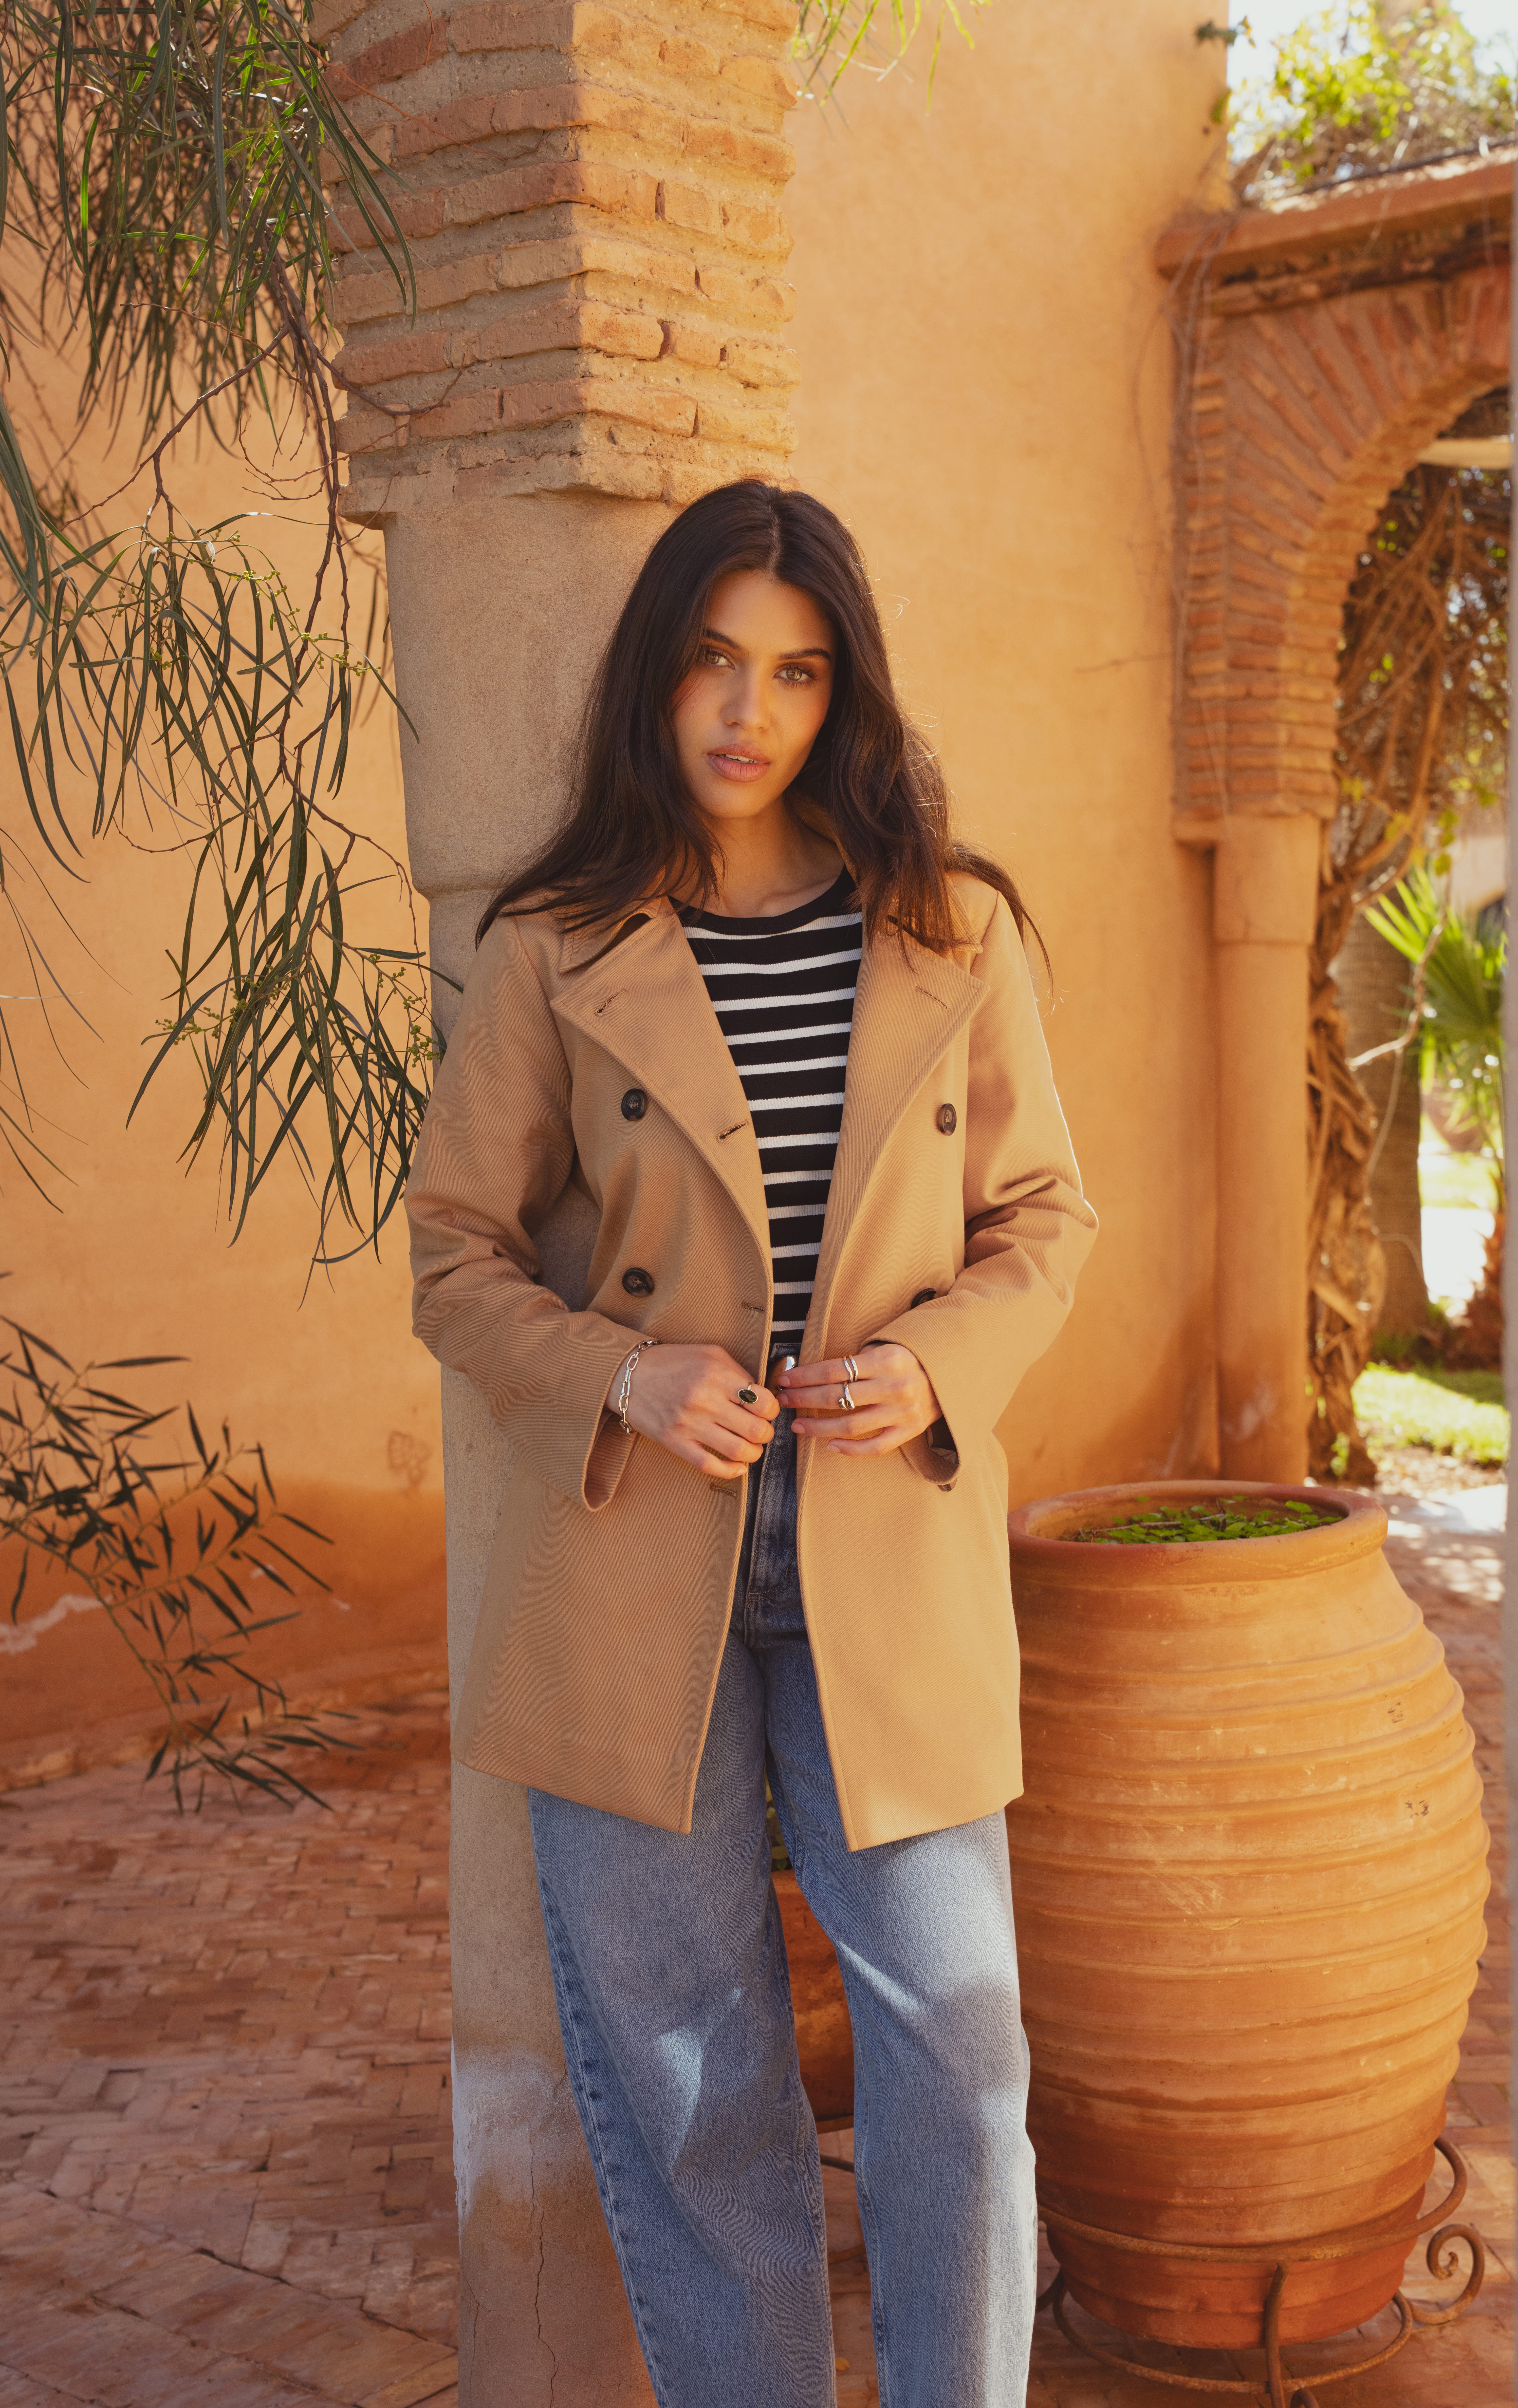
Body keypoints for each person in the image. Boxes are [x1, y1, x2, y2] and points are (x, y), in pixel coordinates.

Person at [405, 480, 1098, 2407]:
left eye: (794, 672)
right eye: (715, 659)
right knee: (694, 2074)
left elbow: (1049, 1219)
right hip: (636, 1557)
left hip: (888, 1541)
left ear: (841, 693)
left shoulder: (951, 927)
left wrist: (940, 1364)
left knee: (957, 2051)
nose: (748, 711)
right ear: (659, 674)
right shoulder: (556, 944)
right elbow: (450, 1257)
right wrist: (619, 1380)